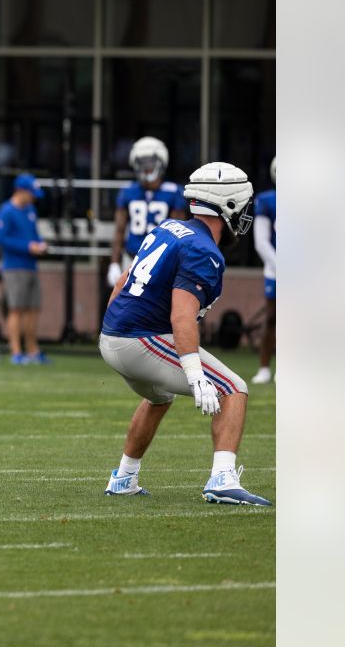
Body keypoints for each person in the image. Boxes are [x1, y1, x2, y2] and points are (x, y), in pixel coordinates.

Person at [99, 162, 271, 506]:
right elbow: (182, 316)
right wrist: (195, 376)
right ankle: (222, 478)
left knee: (159, 397)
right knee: (233, 388)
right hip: (140, 340)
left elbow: (122, 282)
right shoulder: (203, 250)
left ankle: (123, 477)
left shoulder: (169, 227)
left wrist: (108, 329)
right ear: (229, 205)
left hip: (114, 335)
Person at [106, 137, 188, 288]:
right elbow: (119, 230)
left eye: (151, 163)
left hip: (162, 260)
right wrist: (114, 263)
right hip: (132, 258)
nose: (147, 168)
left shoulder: (173, 192)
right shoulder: (128, 191)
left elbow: (179, 234)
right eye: (143, 163)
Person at [0, 173, 49, 365]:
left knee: (33, 308)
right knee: (16, 309)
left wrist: (40, 244)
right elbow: (0, 239)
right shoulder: (6, 211)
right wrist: (28, 247)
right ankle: (16, 351)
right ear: (21, 191)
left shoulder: (30, 210)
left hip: (31, 265)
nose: (33, 197)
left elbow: (34, 234)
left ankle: (33, 350)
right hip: (14, 267)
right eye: (31, 193)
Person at [251, 157, 277, 384]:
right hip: (276, 268)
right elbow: (261, 241)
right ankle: (265, 367)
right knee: (272, 319)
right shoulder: (268, 201)